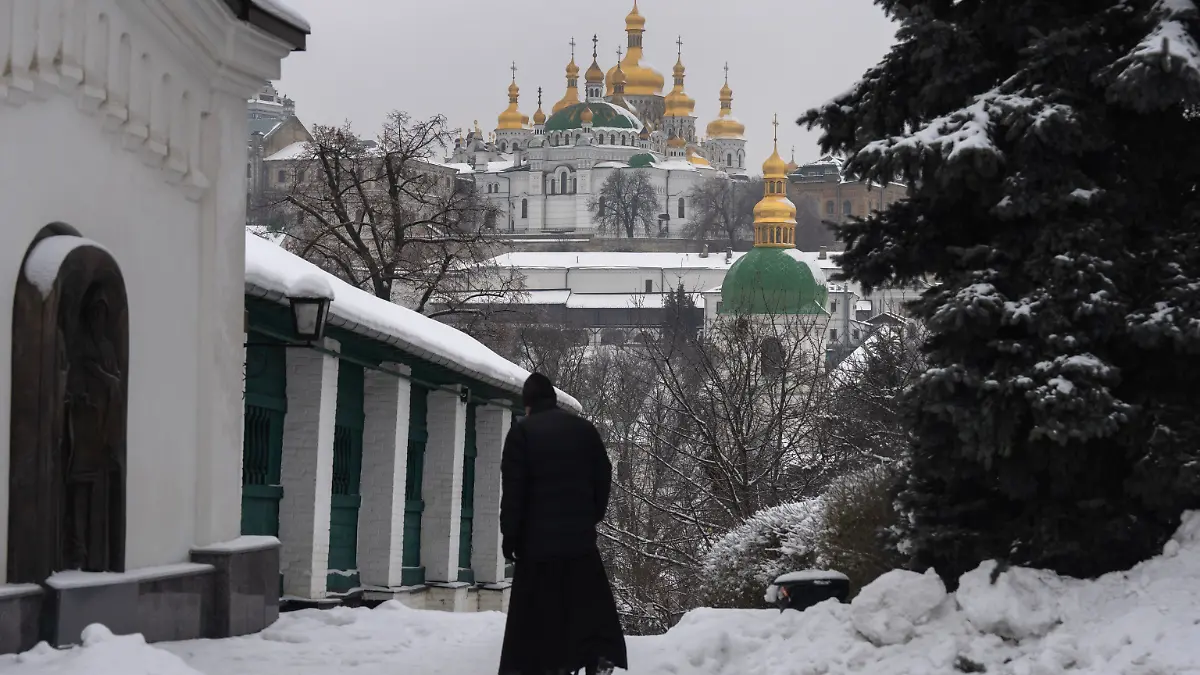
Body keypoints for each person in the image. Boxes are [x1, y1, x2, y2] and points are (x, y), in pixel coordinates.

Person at [498, 373, 628, 675]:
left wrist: (510, 538)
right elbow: (603, 476)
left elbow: (513, 491)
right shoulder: (585, 430)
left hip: (536, 547)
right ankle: (598, 655)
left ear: (527, 404)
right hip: (579, 543)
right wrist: (590, 516)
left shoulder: (522, 433)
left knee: (537, 620)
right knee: (585, 607)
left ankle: (548, 665)